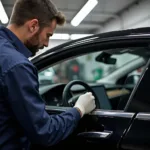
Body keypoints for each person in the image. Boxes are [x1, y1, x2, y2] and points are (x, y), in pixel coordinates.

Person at [0, 0, 96, 150]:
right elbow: (45, 132)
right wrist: (79, 109)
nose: (46, 44)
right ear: (33, 26)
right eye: (48, 35)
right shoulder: (17, 66)